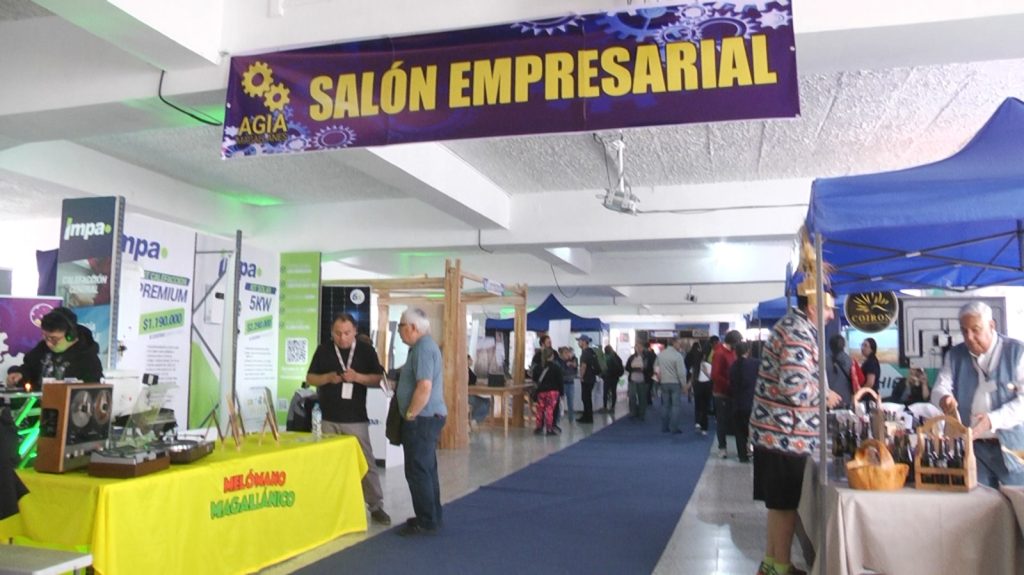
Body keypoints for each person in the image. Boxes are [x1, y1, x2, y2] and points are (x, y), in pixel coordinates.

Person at [750, 290, 841, 575]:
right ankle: (781, 567)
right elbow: (794, 387)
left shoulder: (792, 325)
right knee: (786, 506)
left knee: (779, 507)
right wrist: (825, 396)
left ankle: (772, 564)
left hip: (776, 435)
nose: (831, 315)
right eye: (829, 309)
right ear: (813, 306)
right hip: (785, 437)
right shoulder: (798, 332)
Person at [306, 313, 391, 526]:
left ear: (355, 332)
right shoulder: (324, 350)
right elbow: (310, 377)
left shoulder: (365, 351)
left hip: (355, 418)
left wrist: (357, 377)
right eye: (338, 333)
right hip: (328, 417)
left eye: (346, 333)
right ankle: (329, 504)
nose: (342, 338)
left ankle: (375, 505)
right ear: (331, 333)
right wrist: (328, 378)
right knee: (329, 463)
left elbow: (378, 379)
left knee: (366, 462)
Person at [931, 301, 1024, 487]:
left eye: (976, 330)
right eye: (964, 331)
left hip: (1013, 448)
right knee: (978, 500)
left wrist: (991, 420)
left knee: (1018, 499)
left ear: (992, 325)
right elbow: (939, 388)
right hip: (973, 449)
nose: (970, 337)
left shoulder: (1017, 352)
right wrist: (944, 398)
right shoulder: (955, 355)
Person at [396, 308, 447, 535]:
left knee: (418, 470)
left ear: (413, 327)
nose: (399, 331)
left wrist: (410, 414)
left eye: (401, 326)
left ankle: (426, 520)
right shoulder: (423, 348)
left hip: (422, 419)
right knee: (426, 468)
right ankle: (432, 515)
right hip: (427, 417)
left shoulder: (423, 349)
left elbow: (424, 387)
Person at [20, 307, 103, 385]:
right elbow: (29, 367)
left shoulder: (88, 359)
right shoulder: (42, 348)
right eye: (45, 337)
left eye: (54, 339)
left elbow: (92, 388)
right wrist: (20, 374)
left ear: (71, 336)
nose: (48, 343)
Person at [711, 330, 743, 459]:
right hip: (722, 393)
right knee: (722, 422)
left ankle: (739, 449)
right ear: (733, 342)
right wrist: (729, 385)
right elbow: (715, 375)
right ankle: (722, 447)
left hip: (733, 393)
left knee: (734, 421)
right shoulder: (719, 353)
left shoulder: (733, 353)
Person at [729, 341, 757, 463]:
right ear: (748, 351)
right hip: (753, 403)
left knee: (739, 431)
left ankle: (742, 455)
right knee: (754, 431)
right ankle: (755, 453)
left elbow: (731, 385)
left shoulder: (733, 366)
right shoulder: (755, 363)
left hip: (737, 403)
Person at [655, 337, 688, 434]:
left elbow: (656, 368)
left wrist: (658, 378)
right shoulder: (678, 356)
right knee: (675, 406)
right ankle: (674, 428)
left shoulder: (661, 355)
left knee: (665, 406)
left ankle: (664, 427)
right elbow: (681, 373)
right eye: (678, 343)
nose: (679, 345)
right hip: (675, 383)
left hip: (664, 383)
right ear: (674, 343)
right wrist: (684, 385)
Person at [531, 348, 564, 435]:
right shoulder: (556, 368)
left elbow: (534, 380)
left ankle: (539, 427)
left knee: (540, 410)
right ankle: (549, 428)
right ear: (552, 356)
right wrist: (562, 393)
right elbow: (560, 381)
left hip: (541, 392)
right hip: (553, 392)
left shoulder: (538, 367)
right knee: (550, 410)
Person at [687, 341, 711, 435]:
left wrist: (688, 386)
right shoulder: (708, 365)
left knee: (698, 405)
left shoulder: (695, 366)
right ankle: (704, 428)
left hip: (697, 385)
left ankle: (697, 422)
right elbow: (711, 377)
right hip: (707, 386)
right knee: (705, 407)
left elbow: (692, 377)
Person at [827, 334, 856, 408]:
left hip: (831, 401)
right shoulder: (850, 361)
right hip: (846, 401)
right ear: (844, 346)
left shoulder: (824, 361)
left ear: (830, 346)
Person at [576, 335, 599, 423]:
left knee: (585, 398)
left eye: (579, 341)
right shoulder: (591, 352)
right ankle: (587, 416)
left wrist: (581, 376)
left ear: (584, 342)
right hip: (592, 378)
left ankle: (588, 417)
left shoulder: (585, 353)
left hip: (586, 378)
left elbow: (583, 366)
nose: (578, 343)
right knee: (587, 398)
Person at [625, 342, 651, 420]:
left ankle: (641, 413)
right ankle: (633, 412)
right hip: (633, 379)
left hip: (642, 380)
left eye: (640, 347)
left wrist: (644, 370)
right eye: (637, 347)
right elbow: (627, 367)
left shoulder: (646, 357)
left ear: (642, 348)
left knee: (642, 397)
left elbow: (650, 368)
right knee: (632, 397)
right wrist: (633, 369)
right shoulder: (631, 357)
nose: (638, 349)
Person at [467, 354, 491, 427]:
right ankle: (474, 419)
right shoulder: (464, 371)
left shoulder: (468, 370)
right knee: (484, 403)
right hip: (466, 396)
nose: (472, 361)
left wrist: (483, 382)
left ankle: (474, 419)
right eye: (470, 359)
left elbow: (475, 380)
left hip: (471, 393)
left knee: (487, 401)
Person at [602, 345, 624, 414]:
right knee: (613, 392)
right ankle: (612, 407)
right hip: (614, 377)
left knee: (606, 392)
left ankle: (605, 407)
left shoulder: (608, 357)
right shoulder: (616, 357)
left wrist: (604, 374)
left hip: (609, 377)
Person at [558, 347, 578, 424]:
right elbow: (561, 372)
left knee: (571, 403)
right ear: (561, 354)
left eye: (568, 352)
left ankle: (571, 419)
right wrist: (566, 365)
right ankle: (557, 419)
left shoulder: (572, 361)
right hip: (562, 384)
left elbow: (574, 372)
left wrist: (574, 366)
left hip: (570, 383)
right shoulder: (559, 362)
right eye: (565, 353)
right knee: (560, 403)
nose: (567, 354)